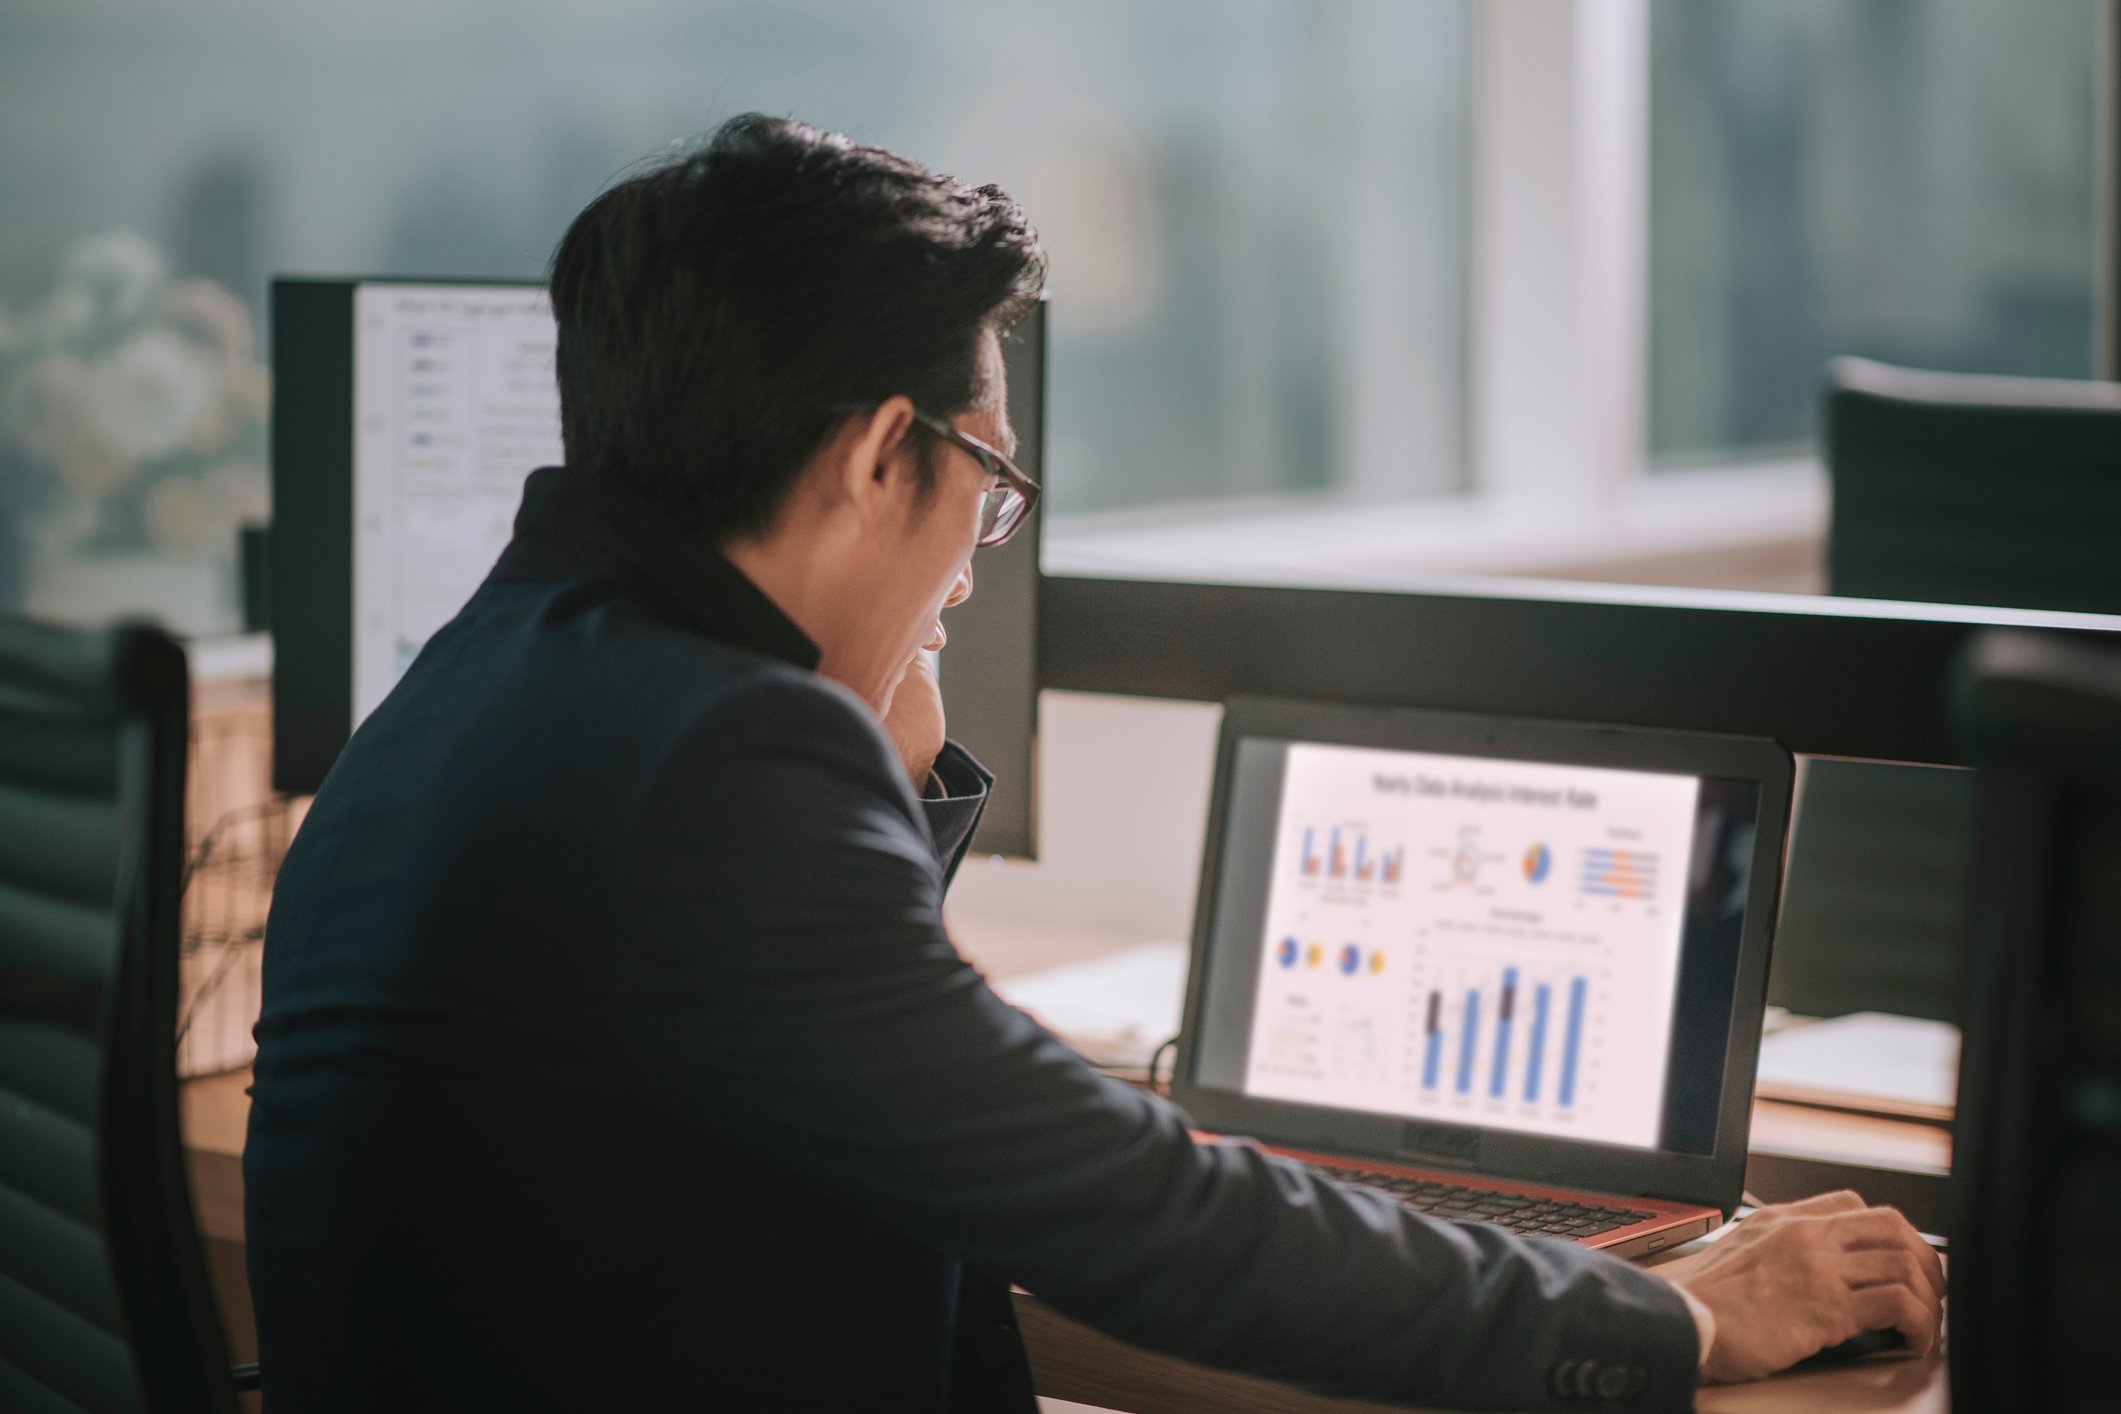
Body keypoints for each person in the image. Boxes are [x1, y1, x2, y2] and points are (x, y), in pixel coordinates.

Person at [244, 114, 1943, 1413]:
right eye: (988, 474)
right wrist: (1679, 1308)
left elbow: (803, 1078)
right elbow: (1135, 1215)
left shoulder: (492, 676)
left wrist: (890, 784)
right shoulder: (711, 752)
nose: (980, 550)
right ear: (872, 456)